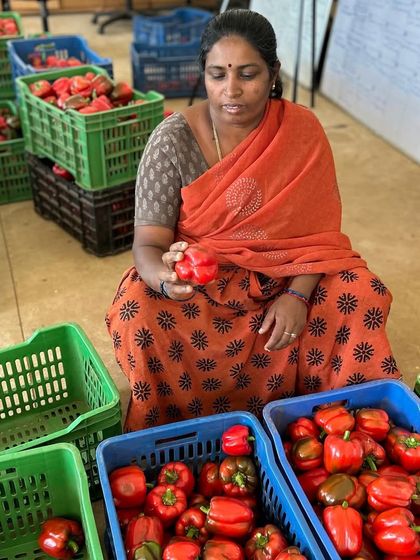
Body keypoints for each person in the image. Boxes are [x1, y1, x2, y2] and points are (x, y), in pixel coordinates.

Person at [106, 9, 400, 432]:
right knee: (137, 307)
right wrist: (167, 280)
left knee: (361, 293)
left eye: (248, 74)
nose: (232, 91)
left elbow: (319, 237)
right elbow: (148, 244)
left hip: (285, 277)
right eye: (217, 75)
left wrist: (298, 297)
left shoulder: (301, 131)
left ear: (273, 72)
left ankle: (334, 427)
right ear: (203, 75)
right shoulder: (173, 139)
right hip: (203, 287)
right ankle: (179, 432)